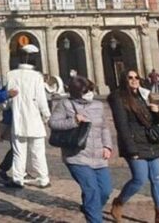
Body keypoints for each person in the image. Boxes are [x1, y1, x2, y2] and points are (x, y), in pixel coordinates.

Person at [49, 75, 113, 223]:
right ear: (76, 92)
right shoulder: (65, 104)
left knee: (105, 191)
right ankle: (95, 218)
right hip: (76, 156)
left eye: (91, 89)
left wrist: (107, 146)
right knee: (91, 190)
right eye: (86, 91)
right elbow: (53, 123)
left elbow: (104, 127)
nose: (89, 93)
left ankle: (89, 207)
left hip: (98, 155)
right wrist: (74, 120)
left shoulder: (98, 105)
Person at [108, 69, 159, 223]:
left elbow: (154, 122)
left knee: (158, 179)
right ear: (124, 79)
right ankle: (119, 201)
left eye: (137, 77)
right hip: (134, 144)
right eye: (130, 77)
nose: (134, 80)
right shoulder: (118, 98)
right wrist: (131, 149)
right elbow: (122, 126)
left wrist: (157, 111)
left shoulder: (144, 95)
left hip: (151, 142)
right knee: (139, 179)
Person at [5, 44, 51, 188]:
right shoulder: (37, 76)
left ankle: (18, 179)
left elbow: (8, 99)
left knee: (19, 152)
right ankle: (43, 178)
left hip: (18, 119)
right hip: (34, 119)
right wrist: (46, 115)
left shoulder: (10, 75)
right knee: (38, 152)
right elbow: (41, 99)